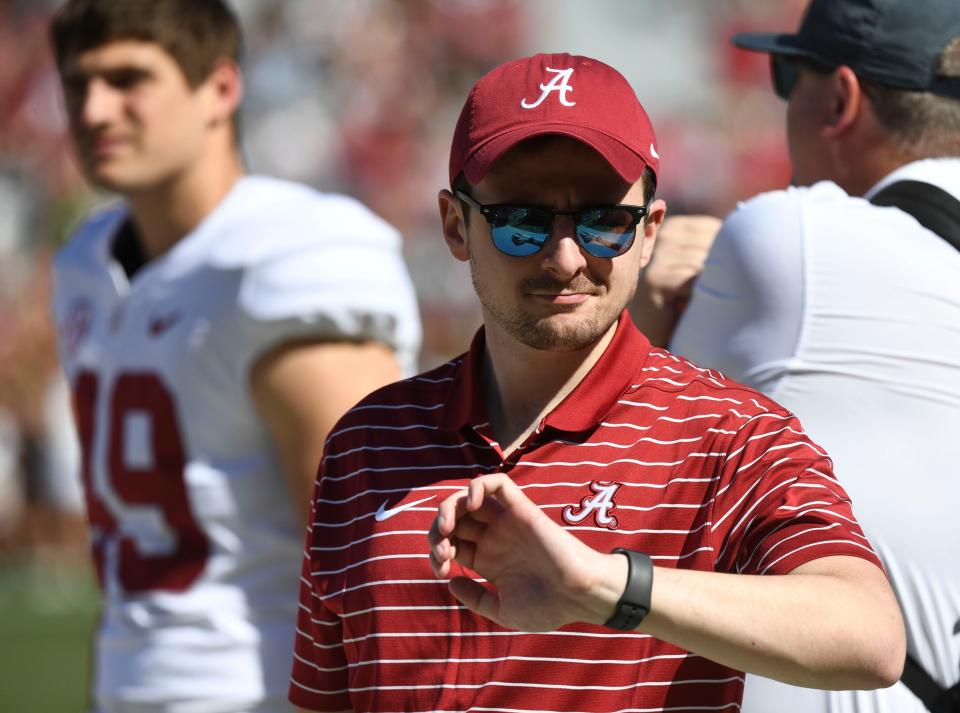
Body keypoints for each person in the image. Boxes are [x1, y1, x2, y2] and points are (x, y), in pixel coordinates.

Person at [289, 52, 905, 713]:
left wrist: (603, 586)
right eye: (521, 222)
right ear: (454, 225)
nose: (565, 257)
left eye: (604, 223)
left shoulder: (732, 435)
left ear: (650, 234)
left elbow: (869, 635)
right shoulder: (366, 440)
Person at [48, 0, 421, 711]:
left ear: (220, 88)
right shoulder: (84, 264)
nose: (94, 109)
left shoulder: (286, 256)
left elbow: (368, 546)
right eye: (76, 85)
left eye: (128, 79)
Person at [635, 1, 960, 711]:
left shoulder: (799, 241)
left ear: (840, 98)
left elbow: (622, 444)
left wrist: (647, 306)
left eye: (789, 78)